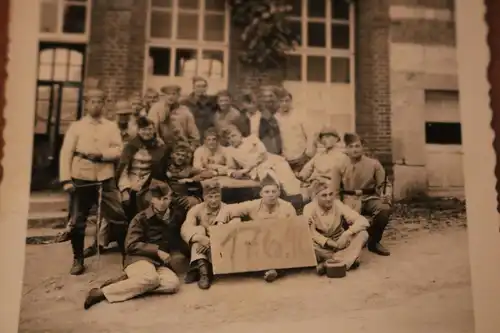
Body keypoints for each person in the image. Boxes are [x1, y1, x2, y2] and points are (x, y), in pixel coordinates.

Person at [59, 88, 128, 275]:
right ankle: (78, 259)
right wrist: (66, 179)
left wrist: (103, 155)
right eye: (92, 101)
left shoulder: (111, 126)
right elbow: (66, 153)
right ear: (86, 104)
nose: (96, 105)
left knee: (118, 216)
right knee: (78, 219)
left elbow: (118, 150)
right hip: (81, 176)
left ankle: (128, 257)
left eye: (100, 101)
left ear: (104, 104)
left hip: (105, 177)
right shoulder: (77, 127)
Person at [83, 180, 181, 310]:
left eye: (166, 198)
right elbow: (130, 245)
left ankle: (129, 283)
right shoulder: (140, 218)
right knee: (151, 279)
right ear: (152, 199)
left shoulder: (175, 216)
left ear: (170, 198)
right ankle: (102, 293)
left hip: (159, 263)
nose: (162, 203)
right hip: (138, 259)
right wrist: (157, 251)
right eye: (158, 199)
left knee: (172, 284)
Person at [214, 175, 297, 282]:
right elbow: (228, 210)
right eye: (267, 192)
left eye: (273, 191)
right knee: (238, 225)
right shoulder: (253, 205)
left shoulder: (287, 207)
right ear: (261, 194)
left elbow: (295, 228)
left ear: (279, 193)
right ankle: (271, 270)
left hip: (280, 240)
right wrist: (220, 224)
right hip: (260, 242)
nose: (271, 195)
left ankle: (274, 269)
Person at [303, 178, 370, 276]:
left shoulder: (338, 204)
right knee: (307, 244)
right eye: (324, 195)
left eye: (331, 194)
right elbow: (311, 232)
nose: (329, 198)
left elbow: (363, 221)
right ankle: (347, 259)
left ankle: (332, 263)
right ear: (316, 197)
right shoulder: (309, 208)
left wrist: (347, 233)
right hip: (321, 245)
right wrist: (328, 242)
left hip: (340, 241)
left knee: (363, 234)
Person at [341, 133, 392, 256]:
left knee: (383, 208)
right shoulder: (339, 164)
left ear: (362, 147)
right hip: (347, 198)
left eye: (357, 146)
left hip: (368, 198)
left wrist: (386, 194)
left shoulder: (374, 164)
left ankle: (374, 242)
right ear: (346, 148)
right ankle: (347, 242)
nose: (355, 149)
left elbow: (384, 184)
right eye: (351, 146)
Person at [223, 124, 302, 196]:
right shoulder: (230, 151)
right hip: (258, 170)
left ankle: (297, 196)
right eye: (228, 138)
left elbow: (263, 154)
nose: (231, 139)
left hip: (270, 160)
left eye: (233, 136)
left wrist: (245, 170)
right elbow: (230, 168)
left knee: (284, 170)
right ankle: (283, 200)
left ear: (240, 134)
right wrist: (233, 173)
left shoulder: (252, 139)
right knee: (270, 179)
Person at [117, 117, 170, 221]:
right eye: (144, 129)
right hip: (130, 182)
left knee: (151, 203)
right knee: (125, 204)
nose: (147, 132)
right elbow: (123, 170)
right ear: (138, 131)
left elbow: (162, 169)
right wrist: (124, 189)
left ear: (154, 130)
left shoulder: (160, 147)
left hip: (149, 183)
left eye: (149, 129)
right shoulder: (130, 146)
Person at [180, 180, 226, 290]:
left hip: (221, 247)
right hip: (200, 246)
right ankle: (204, 273)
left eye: (217, 196)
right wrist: (200, 238)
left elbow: (234, 228)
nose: (214, 200)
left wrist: (212, 240)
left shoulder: (227, 209)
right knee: (199, 231)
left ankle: (200, 269)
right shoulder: (196, 210)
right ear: (204, 197)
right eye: (210, 197)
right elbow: (186, 228)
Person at [298, 126, 350, 199]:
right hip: (313, 186)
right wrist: (301, 176)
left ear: (336, 139)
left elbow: (346, 180)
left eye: (328, 137)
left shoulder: (343, 157)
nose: (324, 140)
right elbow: (306, 171)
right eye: (322, 137)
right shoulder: (318, 156)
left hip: (330, 188)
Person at [275, 89, 316, 173]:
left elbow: (310, 135)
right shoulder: (276, 118)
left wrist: (307, 154)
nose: (284, 104)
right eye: (281, 101)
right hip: (284, 160)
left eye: (287, 101)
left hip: (301, 158)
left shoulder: (299, 115)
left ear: (291, 101)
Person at [148, 84, 200, 151]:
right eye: (168, 94)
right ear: (163, 96)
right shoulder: (156, 108)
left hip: (180, 147)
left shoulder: (185, 111)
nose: (171, 97)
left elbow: (194, 132)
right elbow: (151, 128)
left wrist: (192, 146)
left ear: (178, 96)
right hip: (161, 146)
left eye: (174, 94)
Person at [181, 76, 218, 141]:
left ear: (206, 88)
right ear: (193, 88)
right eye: (198, 86)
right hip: (190, 137)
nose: (201, 89)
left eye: (203, 86)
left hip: (207, 137)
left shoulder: (212, 102)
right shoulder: (185, 103)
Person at [257, 86, 282, 154]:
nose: (268, 99)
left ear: (276, 97)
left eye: (271, 96)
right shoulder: (259, 115)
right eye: (265, 96)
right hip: (266, 153)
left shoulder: (281, 114)